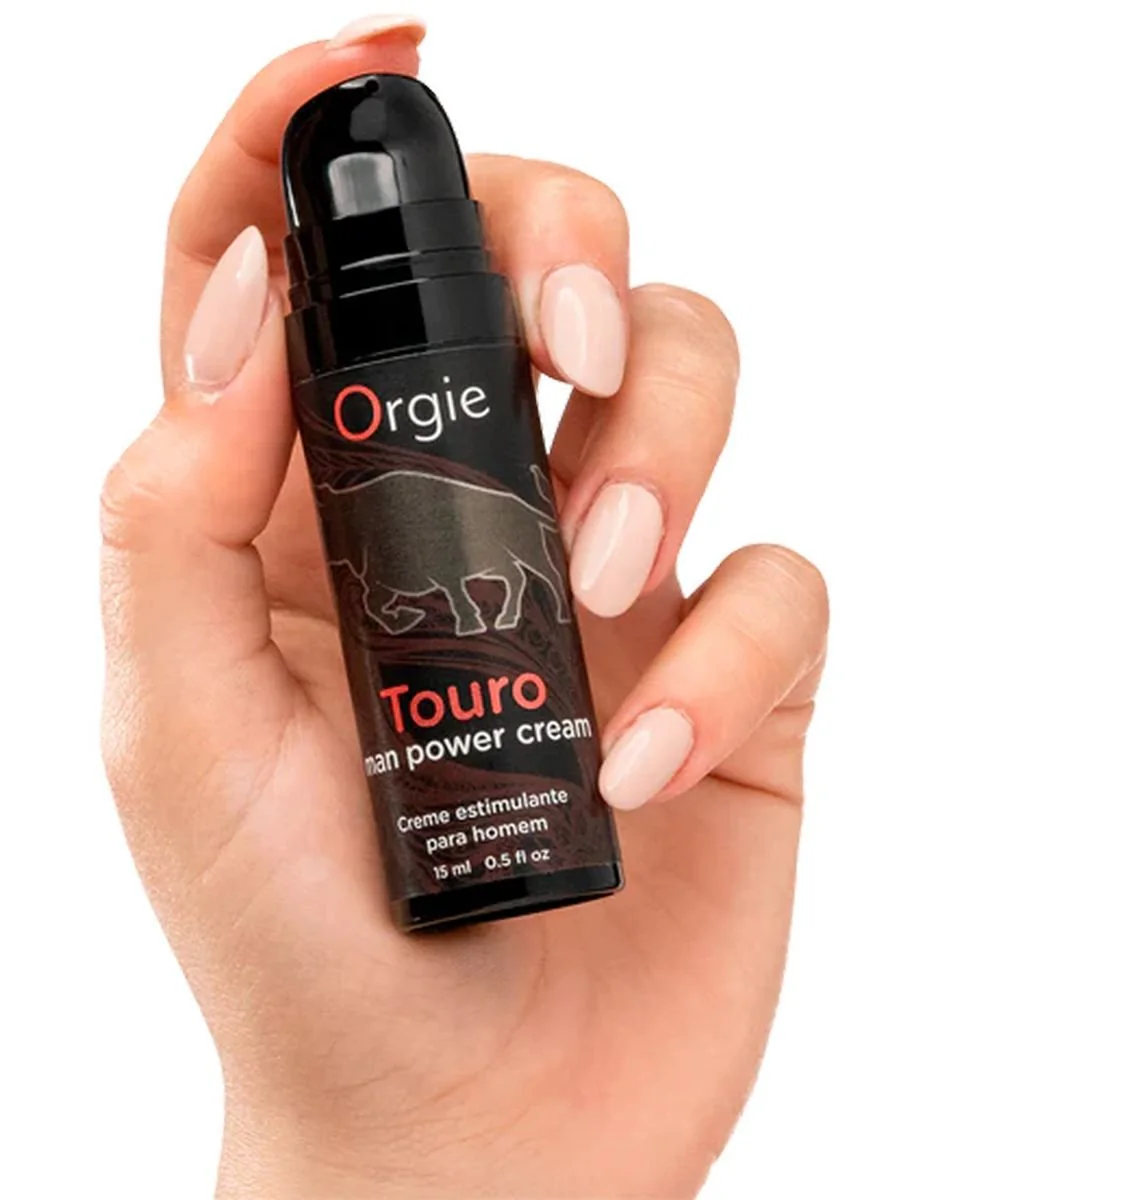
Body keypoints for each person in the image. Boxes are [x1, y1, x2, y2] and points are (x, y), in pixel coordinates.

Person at [99, 18, 829, 1198]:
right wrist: (386, 1157)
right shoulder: (333, 418)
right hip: (425, 855)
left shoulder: (401, 385)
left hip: (566, 836)